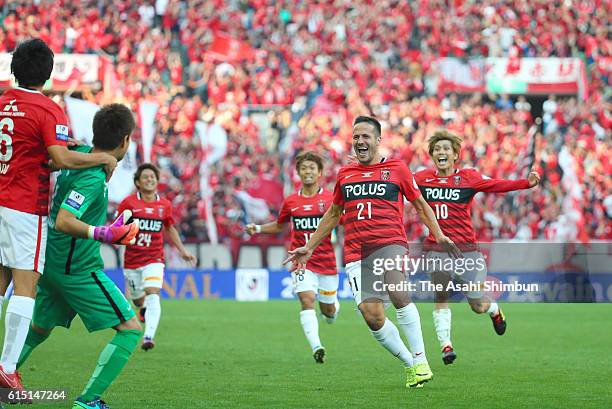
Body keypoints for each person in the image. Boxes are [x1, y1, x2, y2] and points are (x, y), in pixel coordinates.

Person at [286, 116, 458, 388]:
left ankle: (421, 358)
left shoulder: (397, 168)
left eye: (366, 136)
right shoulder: (345, 174)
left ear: (378, 140)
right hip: (357, 253)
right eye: (356, 137)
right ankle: (411, 365)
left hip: (390, 244)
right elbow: (333, 214)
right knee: (372, 315)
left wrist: (439, 235)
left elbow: (421, 205)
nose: (360, 141)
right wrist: (309, 246)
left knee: (398, 291)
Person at [0, 38, 117, 391]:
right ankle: (6, 369)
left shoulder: (3, 103)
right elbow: (61, 158)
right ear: (48, 75)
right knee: (25, 288)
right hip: (23, 206)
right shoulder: (49, 110)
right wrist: (102, 157)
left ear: (14, 69)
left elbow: (37, 156)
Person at [15, 104, 141, 409]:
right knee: (130, 330)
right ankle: (88, 401)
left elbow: (53, 158)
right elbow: (65, 220)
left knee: (39, 329)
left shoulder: (78, 154)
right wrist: (104, 234)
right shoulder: (93, 176)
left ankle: (5, 378)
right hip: (78, 269)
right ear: (125, 140)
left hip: (53, 262)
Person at [414, 129, 540, 365]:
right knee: (440, 295)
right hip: (436, 249)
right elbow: (393, 182)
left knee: (477, 305)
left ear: (455, 155)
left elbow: (496, 185)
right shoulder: (421, 179)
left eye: (446, 149)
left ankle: (493, 309)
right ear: (432, 155)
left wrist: (526, 183)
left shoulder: (468, 178)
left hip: (466, 252)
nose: (441, 152)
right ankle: (446, 346)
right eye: (437, 149)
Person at [246, 151, 339, 363]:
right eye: (304, 168)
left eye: (312, 168)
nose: (307, 172)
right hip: (301, 262)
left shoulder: (330, 199)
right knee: (307, 300)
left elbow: (342, 222)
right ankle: (317, 346)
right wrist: (258, 228)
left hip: (326, 261)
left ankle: (332, 312)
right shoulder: (291, 202)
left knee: (328, 310)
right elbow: (280, 225)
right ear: (298, 173)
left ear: (320, 173)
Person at [118, 163, 197, 351]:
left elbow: (170, 228)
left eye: (152, 177)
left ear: (157, 180)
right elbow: (117, 226)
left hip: (154, 258)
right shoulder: (128, 203)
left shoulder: (164, 205)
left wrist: (182, 251)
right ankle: (142, 309)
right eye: (145, 177)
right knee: (138, 300)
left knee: (153, 292)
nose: (149, 179)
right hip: (132, 261)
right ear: (138, 182)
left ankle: (148, 336)